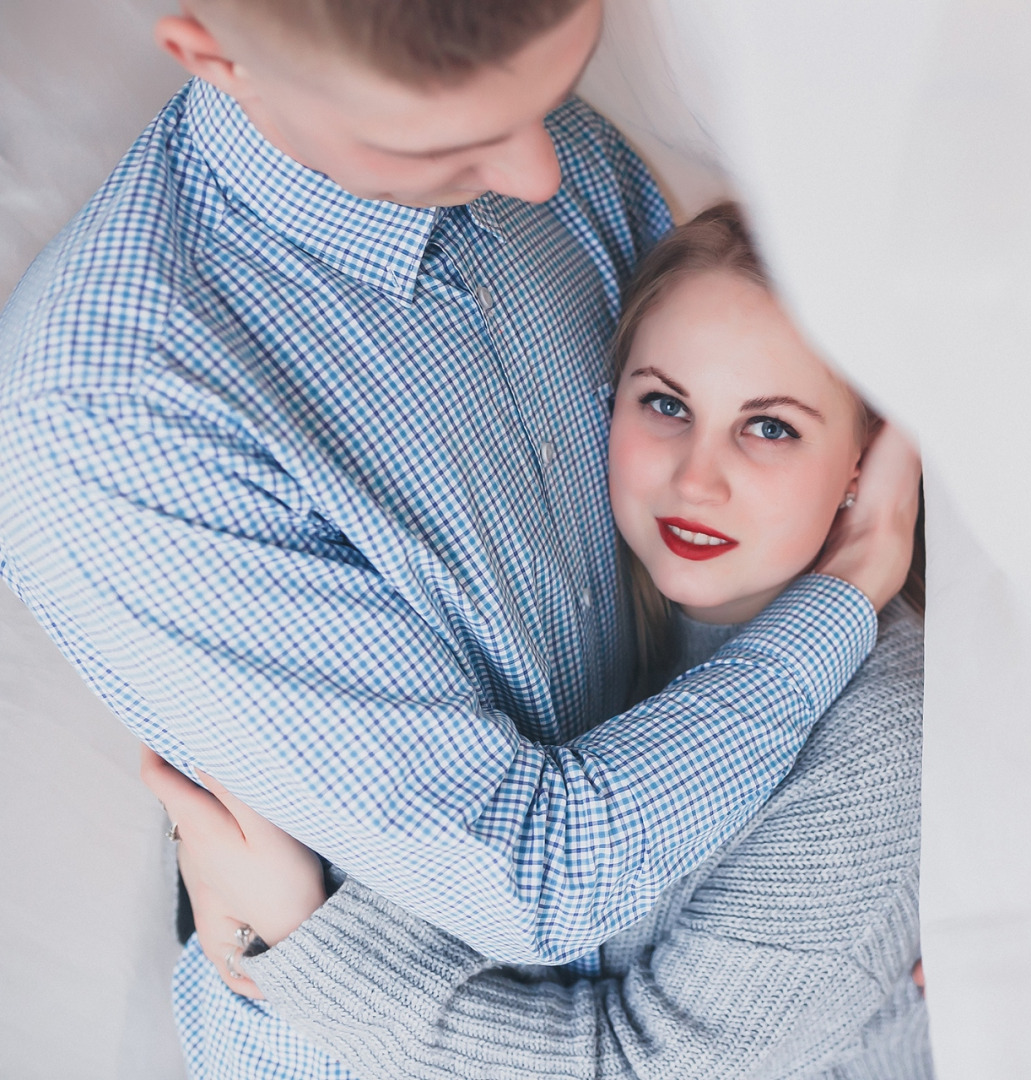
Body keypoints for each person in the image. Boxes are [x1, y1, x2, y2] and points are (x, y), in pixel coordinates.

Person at [0, 1, 919, 1077]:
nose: (540, 171)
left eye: (553, 87)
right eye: (444, 143)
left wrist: (892, 885)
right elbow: (538, 881)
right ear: (214, 54)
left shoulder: (540, 135)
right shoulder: (116, 412)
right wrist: (846, 597)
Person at [145, 203, 932, 1080]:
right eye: (666, 403)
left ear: (869, 458)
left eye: (770, 426)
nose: (696, 478)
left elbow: (640, 1069)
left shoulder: (883, 741)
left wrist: (302, 941)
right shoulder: (582, 591)